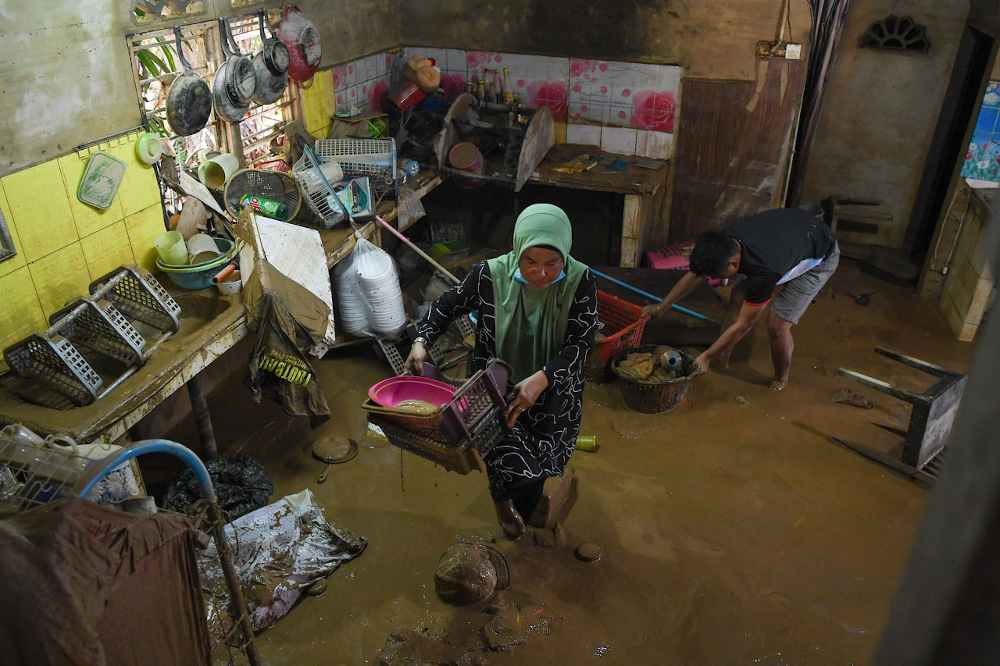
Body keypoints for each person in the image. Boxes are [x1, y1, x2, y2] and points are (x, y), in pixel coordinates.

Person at [405, 204, 599, 539]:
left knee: (541, 464)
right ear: (517, 251)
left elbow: (581, 344)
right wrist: (422, 341)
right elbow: (447, 305)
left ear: (565, 255)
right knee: (502, 452)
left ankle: (518, 500)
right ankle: (504, 500)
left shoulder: (581, 281)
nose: (541, 273)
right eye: (530, 262)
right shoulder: (490, 276)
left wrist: (542, 379)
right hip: (495, 386)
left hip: (553, 393)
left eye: (552, 264)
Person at [641, 207, 839, 391]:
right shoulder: (725, 242)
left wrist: (707, 357)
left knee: (777, 325)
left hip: (819, 256)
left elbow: (746, 323)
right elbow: (696, 274)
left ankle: (781, 379)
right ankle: (724, 353)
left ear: (734, 263)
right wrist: (662, 305)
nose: (717, 278)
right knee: (738, 294)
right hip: (794, 232)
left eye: (719, 275)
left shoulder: (764, 271)